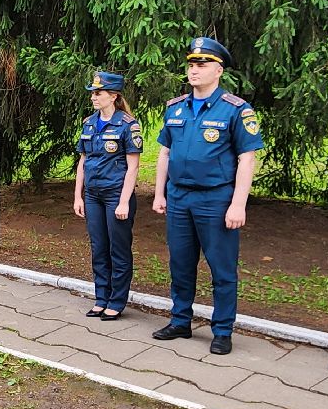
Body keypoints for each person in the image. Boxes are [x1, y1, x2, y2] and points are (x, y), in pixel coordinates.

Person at [150, 37, 263, 355]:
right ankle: (180, 320)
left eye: (202, 64)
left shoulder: (236, 110)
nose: (194, 70)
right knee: (180, 264)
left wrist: (238, 203)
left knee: (222, 269)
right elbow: (164, 152)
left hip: (215, 200)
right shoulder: (176, 107)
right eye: (191, 64)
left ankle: (223, 330)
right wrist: (159, 193)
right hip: (179, 198)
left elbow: (247, 158)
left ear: (218, 70)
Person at [73, 71, 142, 319]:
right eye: (92, 92)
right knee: (98, 247)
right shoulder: (89, 123)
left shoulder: (128, 125)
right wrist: (77, 196)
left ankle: (117, 301)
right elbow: (83, 161)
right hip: (93, 195)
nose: (94, 97)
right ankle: (101, 298)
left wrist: (124, 201)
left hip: (116, 195)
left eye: (98, 93)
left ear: (113, 96)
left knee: (118, 249)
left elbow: (133, 166)